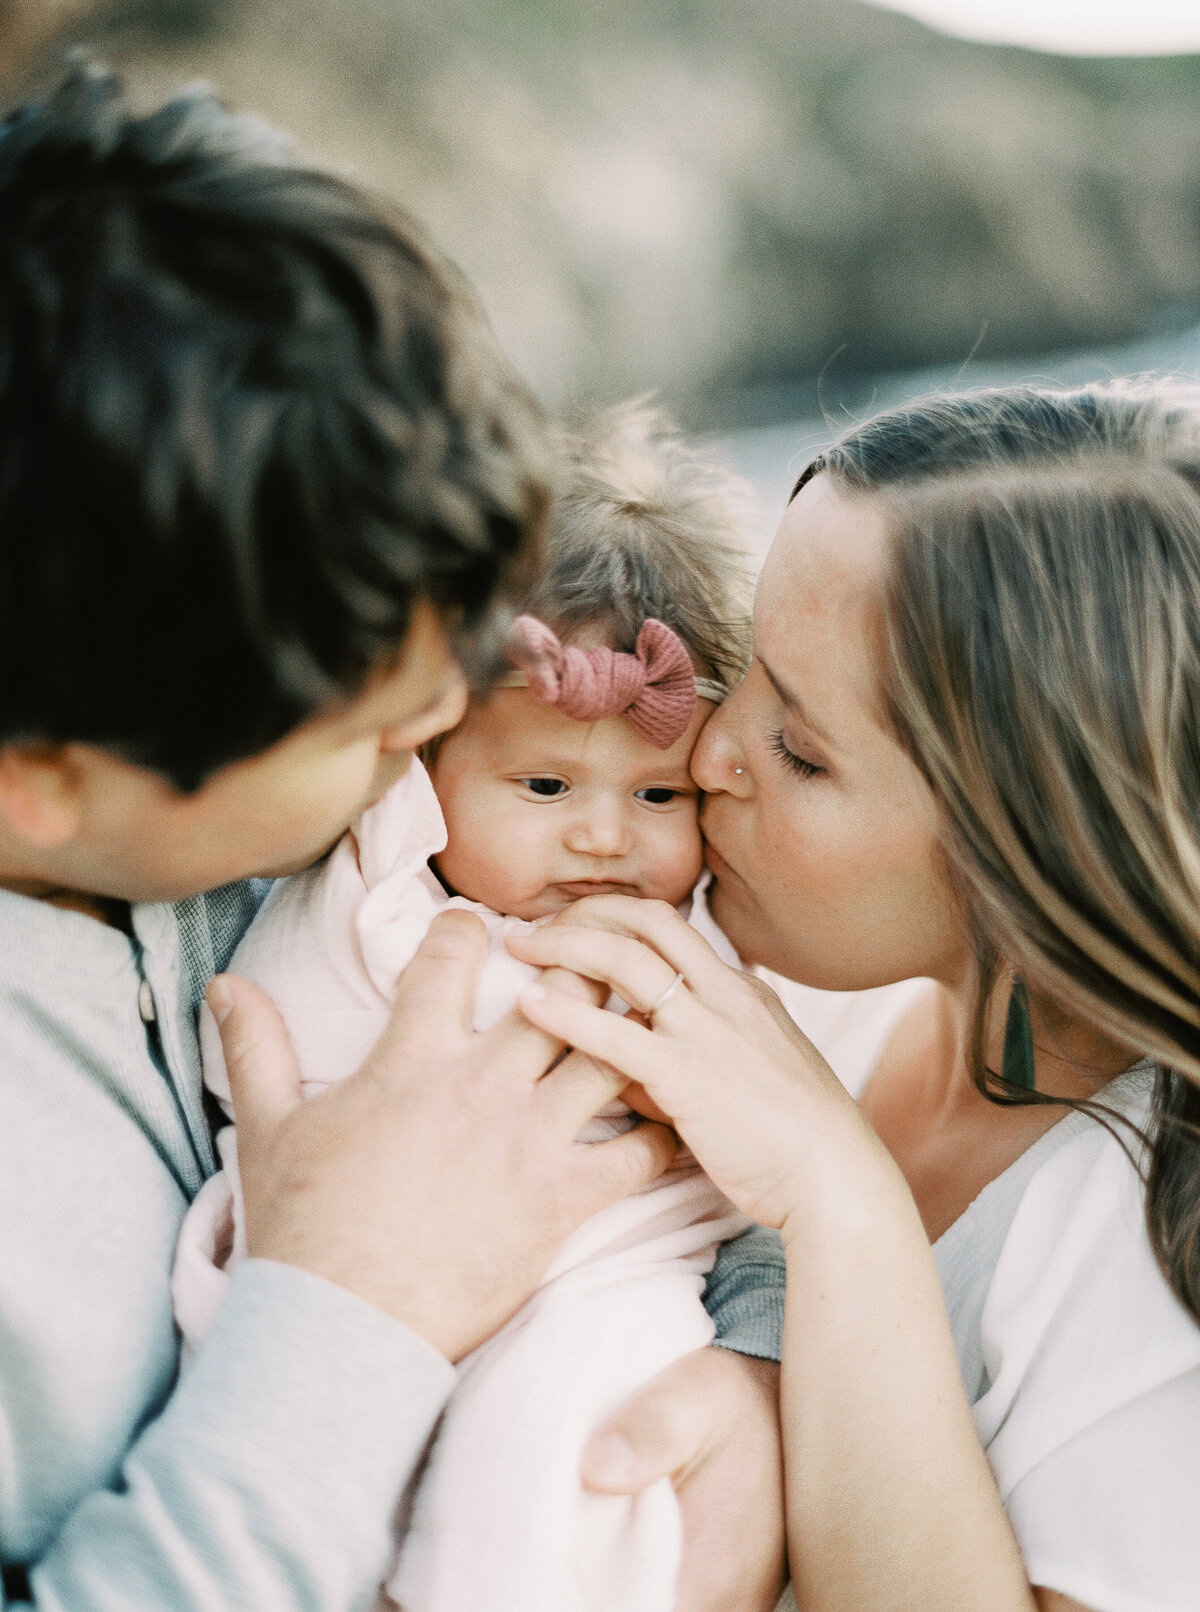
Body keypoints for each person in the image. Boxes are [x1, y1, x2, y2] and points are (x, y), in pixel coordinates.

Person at [0, 65, 786, 1610]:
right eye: (370, 729)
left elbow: (719, 1123)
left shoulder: (199, 840)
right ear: (41, 772)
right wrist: (352, 1304)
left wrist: (754, 1363)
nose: (444, 732)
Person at [510, 382, 1200, 1612]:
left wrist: (839, 1202)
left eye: (803, 751)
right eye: (745, 666)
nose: (709, 749)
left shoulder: (1148, 1247)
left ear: (1033, 848)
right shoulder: (796, 981)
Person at [173, 403, 764, 1612]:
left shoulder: (684, 939)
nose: (603, 835)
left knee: (552, 1448)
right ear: (431, 754)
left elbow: (763, 1139)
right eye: (543, 783)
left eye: (659, 791)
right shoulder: (389, 867)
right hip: (335, 1237)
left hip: (604, 1266)